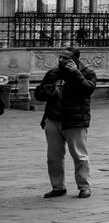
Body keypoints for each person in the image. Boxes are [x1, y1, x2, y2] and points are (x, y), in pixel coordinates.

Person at [33, 47, 97, 199]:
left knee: (80, 156)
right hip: (53, 118)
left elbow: (88, 90)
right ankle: (58, 186)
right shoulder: (53, 73)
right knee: (53, 157)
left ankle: (84, 186)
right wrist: (49, 91)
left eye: (65, 58)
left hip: (75, 120)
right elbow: (40, 95)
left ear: (75, 60)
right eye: (60, 57)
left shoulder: (87, 73)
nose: (61, 60)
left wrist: (76, 73)